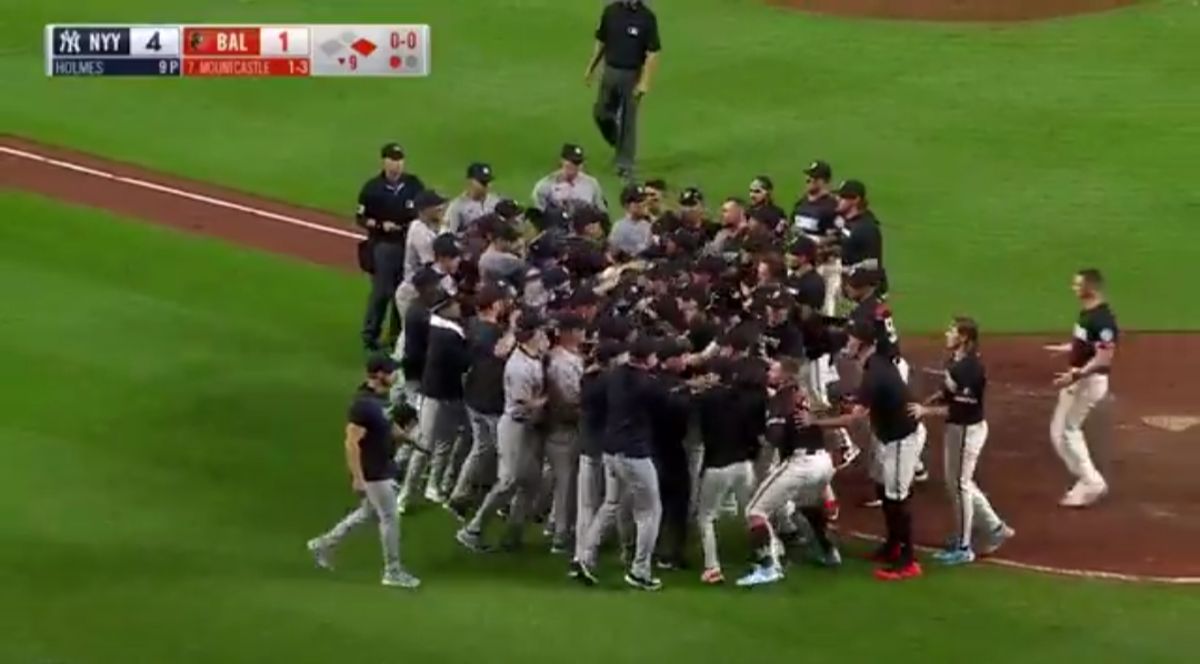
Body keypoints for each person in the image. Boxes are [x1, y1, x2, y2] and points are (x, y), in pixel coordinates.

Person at [805, 323, 926, 582]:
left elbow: (854, 420)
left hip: (902, 439)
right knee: (884, 488)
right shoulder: (875, 364)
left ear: (865, 343)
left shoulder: (875, 372)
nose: (847, 342)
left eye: (852, 338)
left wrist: (815, 422)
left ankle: (909, 560)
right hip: (889, 435)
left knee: (897, 496)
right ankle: (893, 545)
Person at [307, 353, 421, 589]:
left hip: (382, 465)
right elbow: (351, 442)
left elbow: (388, 426)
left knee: (367, 513)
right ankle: (393, 570)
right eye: (390, 372)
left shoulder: (379, 399)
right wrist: (358, 477)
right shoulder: (361, 404)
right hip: (373, 471)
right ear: (379, 374)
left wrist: (411, 441)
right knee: (390, 517)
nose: (394, 375)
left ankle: (323, 544)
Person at [909, 317, 1014, 565]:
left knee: (960, 485)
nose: (947, 334)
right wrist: (928, 401)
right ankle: (995, 528)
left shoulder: (968, 369)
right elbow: (948, 393)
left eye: (952, 331)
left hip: (967, 429)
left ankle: (964, 546)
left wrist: (925, 412)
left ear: (964, 338)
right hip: (959, 430)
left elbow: (959, 409)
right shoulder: (956, 362)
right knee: (958, 483)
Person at [573, 336, 668, 590]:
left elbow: (590, 397)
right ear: (648, 358)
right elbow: (666, 408)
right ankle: (640, 570)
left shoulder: (612, 376)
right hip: (634, 453)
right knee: (650, 511)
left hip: (610, 449)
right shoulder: (647, 384)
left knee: (612, 503)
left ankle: (584, 556)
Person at [736, 358, 840, 587]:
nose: (769, 372)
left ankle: (768, 568)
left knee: (755, 511)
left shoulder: (781, 400)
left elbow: (774, 438)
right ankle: (830, 552)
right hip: (824, 461)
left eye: (774, 369)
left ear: (785, 376)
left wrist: (760, 436)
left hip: (800, 462)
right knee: (808, 505)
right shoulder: (808, 394)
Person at [456, 313, 550, 551]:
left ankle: (513, 535)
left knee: (531, 481)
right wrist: (549, 401)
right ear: (533, 335)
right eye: (542, 332)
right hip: (514, 427)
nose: (545, 336)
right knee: (508, 480)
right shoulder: (519, 366)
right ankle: (472, 529)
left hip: (527, 429)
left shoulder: (533, 355)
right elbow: (522, 403)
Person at [1044, 268, 1118, 508]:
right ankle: (1087, 479)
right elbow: (1087, 344)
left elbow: (1104, 357)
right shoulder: (1088, 314)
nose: (1073, 288)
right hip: (1080, 380)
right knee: (1060, 432)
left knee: (1067, 431)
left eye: (1078, 284)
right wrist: (1067, 349)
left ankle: (1091, 481)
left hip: (1087, 383)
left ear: (1092, 288)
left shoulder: (1103, 320)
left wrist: (1076, 374)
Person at [398, 291, 471, 512]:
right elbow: (464, 362)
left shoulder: (441, 329)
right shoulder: (445, 334)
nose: (457, 306)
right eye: (452, 304)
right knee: (426, 445)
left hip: (447, 393)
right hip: (436, 395)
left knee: (443, 444)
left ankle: (432, 486)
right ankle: (407, 493)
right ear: (444, 308)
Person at [447, 284, 515, 519]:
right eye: (503, 301)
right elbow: (500, 352)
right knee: (504, 453)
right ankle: (503, 502)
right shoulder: (491, 332)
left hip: (474, 396)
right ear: (495, 305)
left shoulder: (473, 325)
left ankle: (459, 494)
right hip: (491, 401)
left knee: (480, 448)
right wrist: (515, 329)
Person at [357, 142, 425, 350]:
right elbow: (361, 217)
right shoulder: (372, 188)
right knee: (382, 292)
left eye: (399, 160)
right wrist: (380, 224)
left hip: (407, 245)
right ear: (384, 161)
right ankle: (370, 334)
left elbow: (423, 209)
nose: (396, 164)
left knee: (402, 291)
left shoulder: (414, 185)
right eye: (392, 160)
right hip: (383, 245)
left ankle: (396, 336)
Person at [585, 0, 662, 180]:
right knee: (601, 112)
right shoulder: (611, 11)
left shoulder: (647, 18)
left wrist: (644, 82)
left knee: (628, 120)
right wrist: (591, 66)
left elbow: (653, 53)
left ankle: (625, 164)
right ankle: (616, 139)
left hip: (632, 74)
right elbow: (601, 41)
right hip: (610, 71)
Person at [835, 179, 887, 295]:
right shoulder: (847, 221)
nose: (837, 200)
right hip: (850, 286)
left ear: (855, 200)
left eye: (842, 197)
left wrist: (847, 269)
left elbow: (874, 263)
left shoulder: (867, 228)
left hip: (866, 291)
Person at [532, 144, 607, 213]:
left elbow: (601, 211)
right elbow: (538, 214)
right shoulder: (545, 185)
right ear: (562, 160)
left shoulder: (592, 184)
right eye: (571, 161)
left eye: (578, 162)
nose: (574, 166)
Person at [403, 190, 450, 285]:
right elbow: (431, 263)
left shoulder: (439, 225)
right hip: (416, 287)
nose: (441, 208)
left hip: (434, 281)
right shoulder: (418, 230)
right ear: (424, 210)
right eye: (436, 205)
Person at [444, 162, 501, 235]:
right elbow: (446, 236)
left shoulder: (496, 202)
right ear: (470, 181)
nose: (487, 186)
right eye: (482, 182)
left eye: (488, 182)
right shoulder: (456, 206)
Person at [608, 183, 653, 258]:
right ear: (627, 206)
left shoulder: (649, 224)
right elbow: (614, 253)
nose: (643, 204)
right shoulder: (620, 227)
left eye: (643, 200)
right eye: (638, 201)